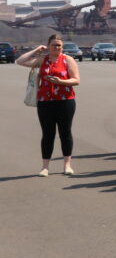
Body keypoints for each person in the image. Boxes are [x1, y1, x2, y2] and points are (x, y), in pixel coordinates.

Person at [17, 33, 80, 176]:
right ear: (48, 46)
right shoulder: (42, 60)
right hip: (45, 102)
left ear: (62, 47)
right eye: (54, 45)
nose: (56, 47)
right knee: (47, 134)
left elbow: (76, 80)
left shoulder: (67, 60)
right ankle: (45, 167)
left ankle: (67, 165)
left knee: (65, 133)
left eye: (59, 45)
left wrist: (61, 82)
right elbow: (20, 61)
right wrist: (36, 50)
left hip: (65, 101)